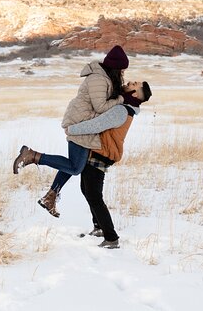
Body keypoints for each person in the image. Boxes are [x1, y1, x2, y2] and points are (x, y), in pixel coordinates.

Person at [12, 45, 129, 216]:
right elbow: (101, 106)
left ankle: (50, 197)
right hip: (79, 122)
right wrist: (121, 99)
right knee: (75, 167)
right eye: (121, 70)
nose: (122, 74)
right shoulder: (98, 78)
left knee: (72, 164)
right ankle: (32, 156)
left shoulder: (104, 78)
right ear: (115, 67)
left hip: (84, 121)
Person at [72, 80, 152, 249]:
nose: (131, 82)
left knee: (94, 196)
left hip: (103, 153)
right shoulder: (125, 109)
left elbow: (96, 125)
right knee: (86, 190)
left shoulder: (121, 111)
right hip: (100, 151)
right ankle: (99, 227)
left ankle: (111, 238)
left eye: (134, 85)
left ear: (135, 94)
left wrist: (71, 129)